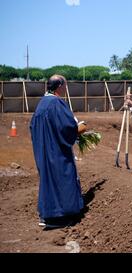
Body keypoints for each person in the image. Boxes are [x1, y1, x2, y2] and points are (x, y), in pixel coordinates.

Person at [30, 75, 86, 229]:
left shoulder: (42, 103)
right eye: (65, 85)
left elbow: (33, 128)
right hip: (57, 152)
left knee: (48, 181)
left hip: (44, 150)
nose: (66, 88)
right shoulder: (56, 103)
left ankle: (46, 214)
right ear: (60, 85)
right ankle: (57, 217)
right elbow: (67, 127)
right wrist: (79, 128)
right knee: (62, 179)